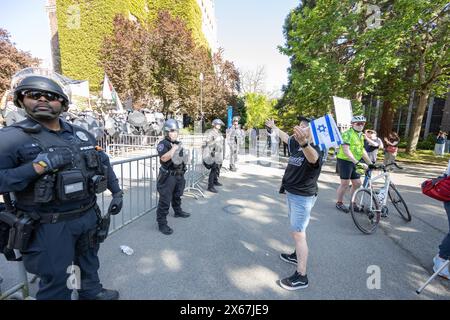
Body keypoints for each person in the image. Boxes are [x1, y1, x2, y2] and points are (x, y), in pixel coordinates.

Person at [0, 70, 123, 300]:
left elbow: (103, 163)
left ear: (63, 103)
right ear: (21, 99)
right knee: (57, 280)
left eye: (51, 96)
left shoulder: (82, 134)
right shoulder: (10, 138)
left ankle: (91, 292)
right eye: (34, 94)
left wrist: (117, 192)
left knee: (88, 262)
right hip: (49, 225)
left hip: (87, 216)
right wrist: (36, 167)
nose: (43, 100)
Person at [266, 116, 324, 290]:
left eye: (306, 126)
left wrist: (305, 144)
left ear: (312, 133)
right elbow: (285, 137)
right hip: (293, 194)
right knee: (297, 231)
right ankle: (295, 256)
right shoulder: (296, 144)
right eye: (300, 124)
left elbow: (313, 159)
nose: (301, 126)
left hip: (302, 197)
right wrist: (274, 127)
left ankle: (301, 276)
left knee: (299, 233)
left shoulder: (315, 148)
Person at [156, 119, 190, 235]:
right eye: (172, 131)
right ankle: (162, 224)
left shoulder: (178, 143)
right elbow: (164, 158)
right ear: (166, 132)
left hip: (178, 175)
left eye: (176, 131)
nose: (175, 133)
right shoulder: (162, 144)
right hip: (168, 177)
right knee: (164, 201)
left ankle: (178, 211)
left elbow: (183, 158)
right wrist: (174, 149)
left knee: (177, 195)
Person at [335, 115, 373, 213]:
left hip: (355, 161)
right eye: (358, 123)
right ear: (352, 124)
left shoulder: (360, 135)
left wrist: (370, 163)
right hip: (345, 160)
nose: (360, 125)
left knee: (357, 183)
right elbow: (346, 150)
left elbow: (362, 150)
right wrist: (358, 163)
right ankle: (339, 203)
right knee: (345, 183)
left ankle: (353, 203)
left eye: (363, 123)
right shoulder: (347, 134)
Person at [203, 119, 225, 193]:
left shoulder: (218, 133)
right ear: (214, 125)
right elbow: (208, 143)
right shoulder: (210, 132)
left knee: (217, 168)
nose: (219, 126)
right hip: (211, 153)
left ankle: (215, 181)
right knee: (213, 169)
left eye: (220, 125)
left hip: (217, 153)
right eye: (218, 124)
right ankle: (210, 186)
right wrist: (216, 140)